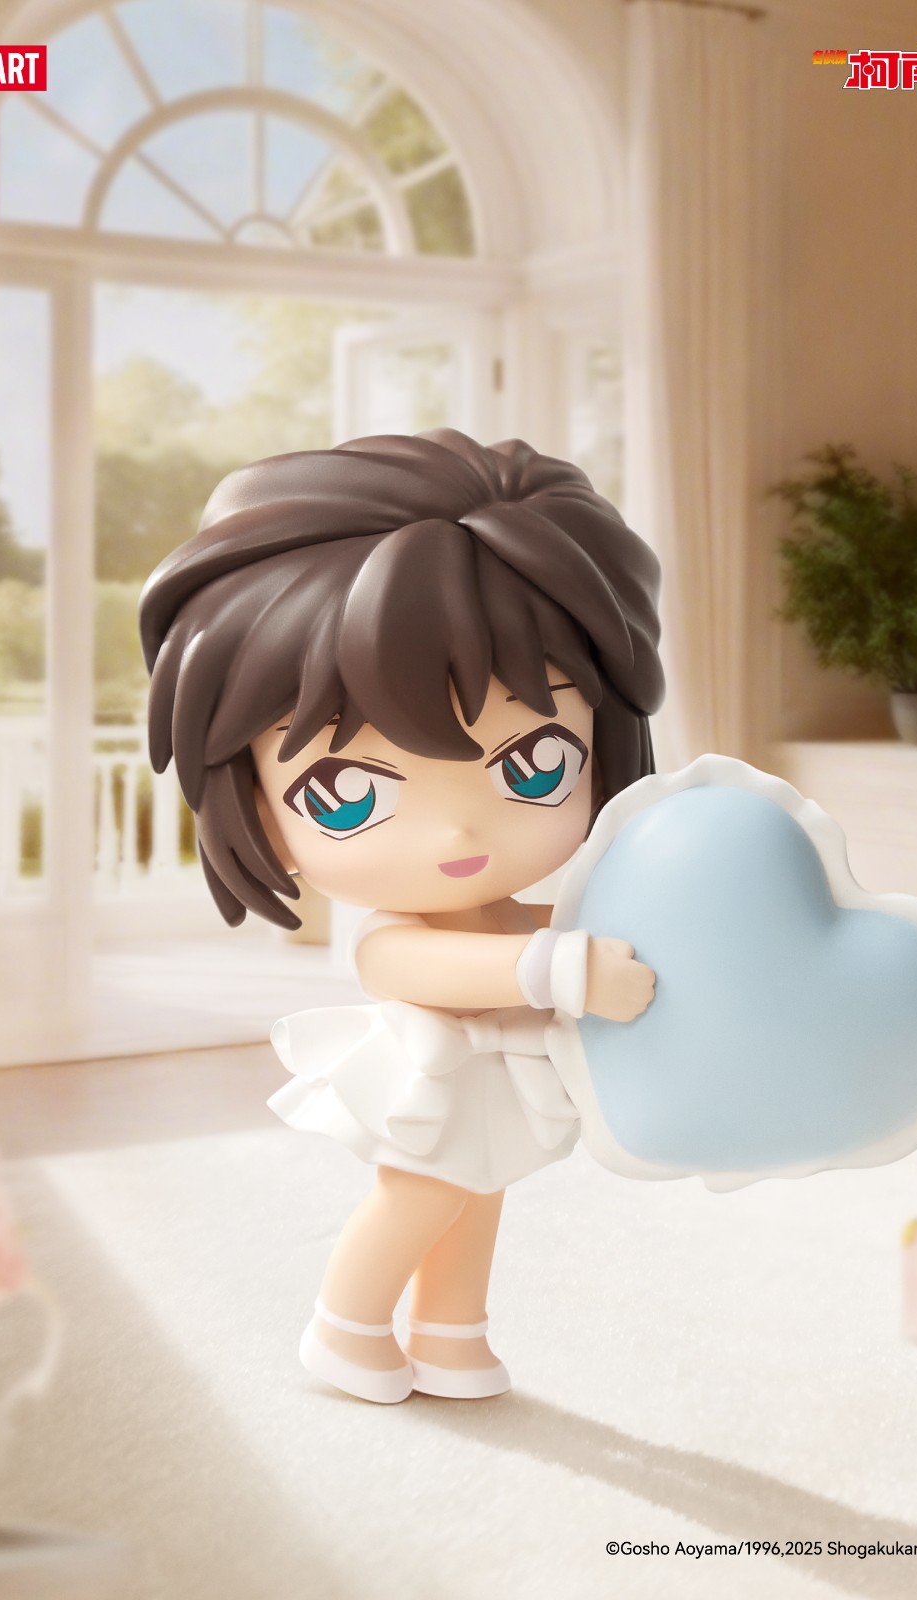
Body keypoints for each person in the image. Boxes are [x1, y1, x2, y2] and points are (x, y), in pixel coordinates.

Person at [138, 428, 665, 1403]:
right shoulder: (390, 937)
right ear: (251, 799)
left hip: (494, 1074)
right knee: (420, 1195)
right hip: (434, 1076)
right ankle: (345, 1327)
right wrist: (560, 968)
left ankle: (452, 1332)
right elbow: (428, 969)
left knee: (482, 1194)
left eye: (534, 764)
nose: (459, 829)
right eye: (346, 792)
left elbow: (532, 924)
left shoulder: (501, 901)